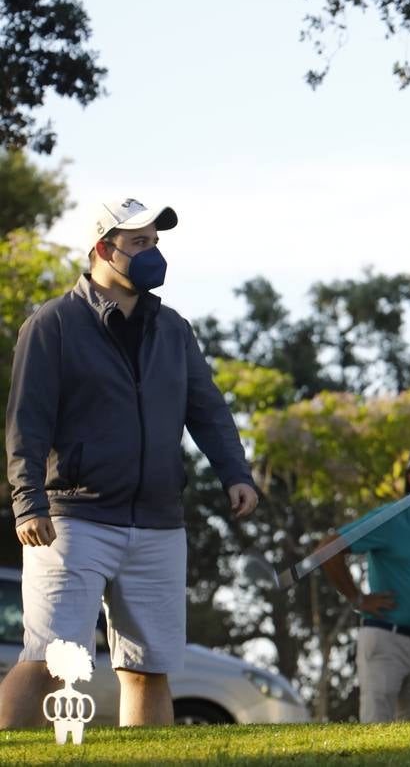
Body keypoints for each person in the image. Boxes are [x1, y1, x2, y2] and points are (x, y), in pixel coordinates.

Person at [2, 198, 259, 728]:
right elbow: (26, 422)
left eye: (156, 242)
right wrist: (28, 503)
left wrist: (236, 473)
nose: (153, 253)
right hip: (73, 519)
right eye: (139, 242)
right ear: (103, 249)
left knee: (149, 669)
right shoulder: (52, 324)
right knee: (49, 660)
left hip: (159, 523)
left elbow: (207, 408)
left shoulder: (173, 328)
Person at [317, 441, 410, 723]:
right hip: (385, 637)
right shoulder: (390, 517)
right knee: (376, 730)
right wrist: (357, 599)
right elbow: (329, 548)